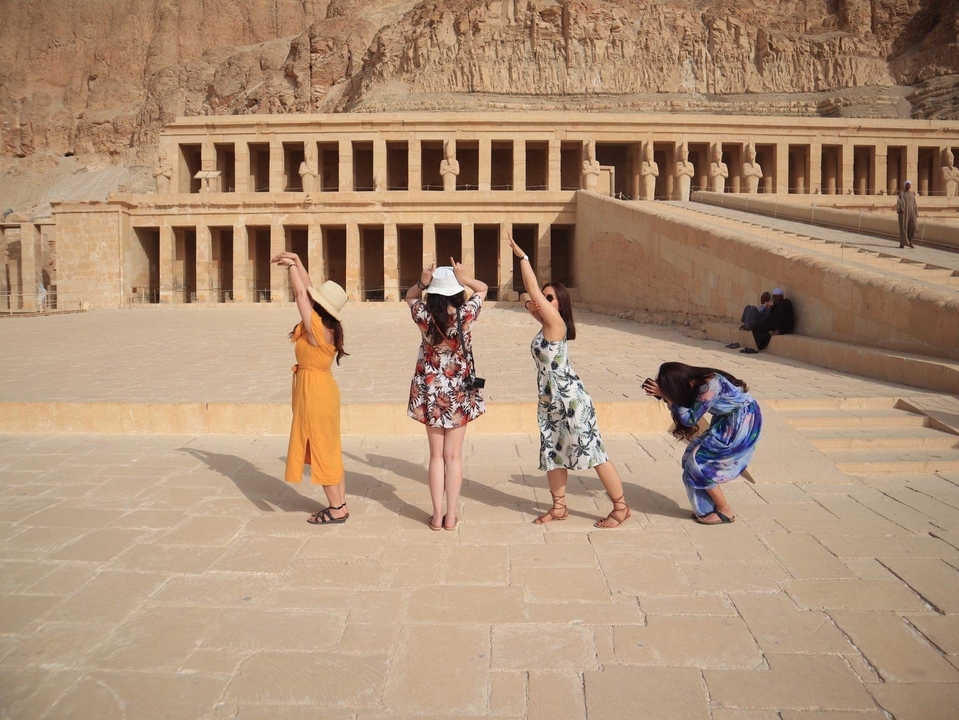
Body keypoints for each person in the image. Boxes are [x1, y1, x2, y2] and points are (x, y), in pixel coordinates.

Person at [508, 234, 630, 528]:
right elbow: (526, 298)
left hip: (571, 399)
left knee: (594, 452)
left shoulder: (557, 324)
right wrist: (533, 304)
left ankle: (621, 507)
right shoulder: (547, 323)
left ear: (559, 304)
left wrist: (523, 257)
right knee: (552, 452)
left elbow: (529, 289)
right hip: (551, 400)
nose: (543, 300)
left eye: (549, 298)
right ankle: (559, 506)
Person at [407, 260, 488, 531]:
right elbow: (483, 289)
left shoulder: (423, 315)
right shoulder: (465, 313)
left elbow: (410, 296)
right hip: (458, 392)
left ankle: (437, 515)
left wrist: (423, 282)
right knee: (454, 456)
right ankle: (451, 516)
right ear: (456, 291)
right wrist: (465, 279)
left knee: (436, 456)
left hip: (431, 391)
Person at [271, 251, 350, 524]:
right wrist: (297, 262)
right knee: (329, 447)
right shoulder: (328, 325)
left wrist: (292, 266)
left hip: (315, 393)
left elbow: (301, 294)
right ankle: (341, 503)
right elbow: (307, 290)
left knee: (322, 450)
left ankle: (337, 508)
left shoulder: (316, 327)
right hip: (321, 389)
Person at [643, 363, 762, 525]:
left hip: (741, 423)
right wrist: (665, 394)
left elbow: (689, 419)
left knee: (699, 464)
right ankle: (706, 509)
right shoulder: (697, 381)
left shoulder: (708, 387)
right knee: (690, 458)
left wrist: (668, 397)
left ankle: (724, 510)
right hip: (727, 420)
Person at [744, 288, 794, 353]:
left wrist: (772, 305)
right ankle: (762, 343)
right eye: (773, 296)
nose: (774, 298)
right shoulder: (774, 304)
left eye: (776, 296)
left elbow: (782, 306)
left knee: (779, 310)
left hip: (785, 327)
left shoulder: (786, 302)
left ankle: (778, 330)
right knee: (757, 327)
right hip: (773, 324)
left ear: (781, 296)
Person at [896, 179, 918, 249]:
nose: (908, 185)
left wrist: (916, 213)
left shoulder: (912, 194)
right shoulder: (901, 193)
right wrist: (901, 209)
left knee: (914, 227)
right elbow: (899, 202)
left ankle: (910, 241)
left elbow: (914, 204)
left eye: (909, 184)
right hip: (904, 213)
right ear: (905, 185)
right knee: (904, 228)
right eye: (907, 184)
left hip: (911, 213)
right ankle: (902, 243)